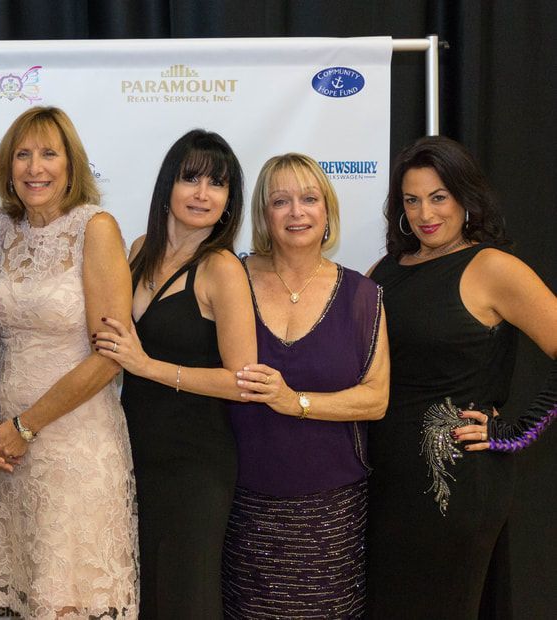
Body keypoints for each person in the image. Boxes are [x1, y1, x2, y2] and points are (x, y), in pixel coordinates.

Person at [366, 136, 557, 617]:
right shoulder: (385, 270)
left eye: (439, 197)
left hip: (453, 484)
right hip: (380, 480)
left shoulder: (493, 268)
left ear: (465, 197)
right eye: (411, 200)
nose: (424, 213)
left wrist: (515, 431)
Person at [0, 106, 138, 619]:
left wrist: (27, 425)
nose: (35, 167)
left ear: (71, 165)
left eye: (49, 153)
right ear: (8, 166)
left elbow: (111, 356)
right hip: (7, 449)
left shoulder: (95, 228)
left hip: (74, 443)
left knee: (68, 598)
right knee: (27, 592)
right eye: (22, 154)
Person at [92, 129, 255, 619]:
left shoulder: (221, 268)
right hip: (132, 451)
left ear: (229, 201)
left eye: (217, 184)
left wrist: (147, 366)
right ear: (168, 185)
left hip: (195, 463)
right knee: (140, 598)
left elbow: (242, 381)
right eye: (191, 179)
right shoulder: (140, 248)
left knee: (187, 598)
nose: (203, 194)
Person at [221, 153, 389, 618]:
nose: (296, 212)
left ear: (327, 210)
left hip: (331, 511)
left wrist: (294, 401)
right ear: (263, 215)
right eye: (281, 201)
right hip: (241, 504)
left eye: (309, 199)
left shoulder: (362, 295)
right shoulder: (230, 278)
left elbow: (376, 399)